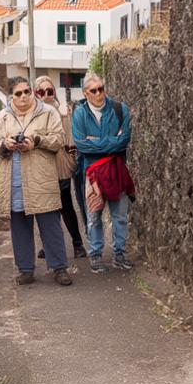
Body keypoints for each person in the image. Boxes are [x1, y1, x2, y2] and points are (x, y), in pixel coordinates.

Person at [0, 76, 72, 286]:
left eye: (27, 91)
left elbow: (59, 139)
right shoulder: (3, 116)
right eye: (18, 93)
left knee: (50, 224)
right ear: (11, 96)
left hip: (40, 177)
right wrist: (4, 144)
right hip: (13, 180)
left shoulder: (47, 112)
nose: (24, 96)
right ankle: (25, 269)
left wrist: (36, 141)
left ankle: (59, 267)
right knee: (19, 226)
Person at [72, 73, 133, 274]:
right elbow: (81, 145)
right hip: (92, 174)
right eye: (94, 90)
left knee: (120, 215)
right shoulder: (80, 113)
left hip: (116, 171)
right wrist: (110, 142)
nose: (99, 94)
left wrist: (96, 141)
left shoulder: (119, 109)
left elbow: (124, 140)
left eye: (101, 88)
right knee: (94, 215)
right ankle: (96, 254)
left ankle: (119, 253)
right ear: (85, 93)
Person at [35, 76, 86, 259]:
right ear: (36, 93)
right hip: (41, 167)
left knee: (66, 205)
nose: (46, 95)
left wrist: (70, 161)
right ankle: (49, 245)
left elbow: (70, 139)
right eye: (41, 92)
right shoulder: (33, 115)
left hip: (60, 165)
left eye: (50, 91)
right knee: (45, 209)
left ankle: (77, 243)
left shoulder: (63, 112)